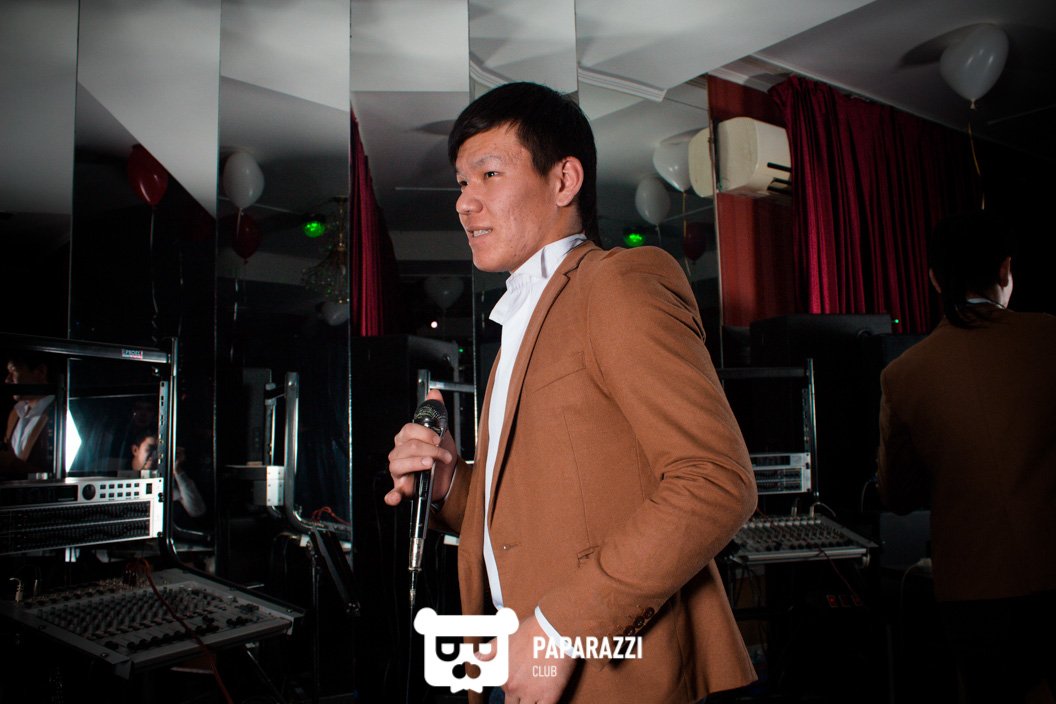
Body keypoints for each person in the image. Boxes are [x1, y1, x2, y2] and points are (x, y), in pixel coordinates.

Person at [387, 82, 757, 704]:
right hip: (515, 659)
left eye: (489, 174)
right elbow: (535, 511)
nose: (464, 202)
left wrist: (559, 631)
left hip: (610, 668)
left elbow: (716, 480)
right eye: (462, 183)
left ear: (564, 181)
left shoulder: (617, 285)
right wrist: (451, 483)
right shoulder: (520, 320)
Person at [877, 210, 1056, 704]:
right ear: (1005, 269)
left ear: (935, 278)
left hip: (971, 594)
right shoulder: (1050, 337)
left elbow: (897, 495)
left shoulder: (903, 374)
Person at [123, 428, 206, 518]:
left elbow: (197, 510)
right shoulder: (120, 471)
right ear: (135, 450)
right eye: (151, 449)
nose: (155, 455)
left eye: (159, 450)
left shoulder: (164, 477)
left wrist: (177, 470)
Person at [1, 352, 55, 475]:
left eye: (14, 371)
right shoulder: (15, 413)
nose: (8, 380)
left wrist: (11, 463)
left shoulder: (61, 415)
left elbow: (59, 476)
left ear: (41, 372)